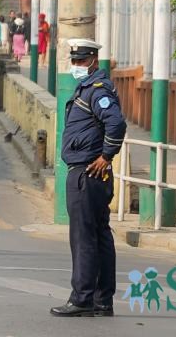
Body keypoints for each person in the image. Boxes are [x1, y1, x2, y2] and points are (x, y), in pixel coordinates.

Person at [50, 38, 126, 318]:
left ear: (93, 60)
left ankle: (82, 298)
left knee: (84, 237)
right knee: (100, 234)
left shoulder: (97, 89)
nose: (76, 66)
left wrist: (106, 156)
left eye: (81, 61)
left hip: (88, 172)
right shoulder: (89, 87)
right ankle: (102, 299)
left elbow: (116, 123)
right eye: (74, 61)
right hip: (93, 173)